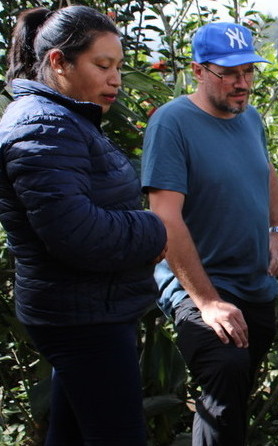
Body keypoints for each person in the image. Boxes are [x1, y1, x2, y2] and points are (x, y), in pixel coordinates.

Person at [0, 5, 168, 445]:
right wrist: (153, 230)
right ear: (59, 62)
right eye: (102, 65)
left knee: (72, 432)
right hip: (83, 318)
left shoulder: (63, 118)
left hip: (86, 306)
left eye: (118, 67)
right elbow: (76, 232)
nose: (115, 79)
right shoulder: (42, 125)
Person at [140, 22, 278, 445]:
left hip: (254, 284)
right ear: (198, 70)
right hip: (199, 288)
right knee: (225, 375)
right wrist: (207, 303)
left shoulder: (250, 117)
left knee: (234, 397)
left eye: (249, 71)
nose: (242, 84)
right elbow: (165, 218)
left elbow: (267, 172)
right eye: (229, 73)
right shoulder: (172, 124)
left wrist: (276, 231)